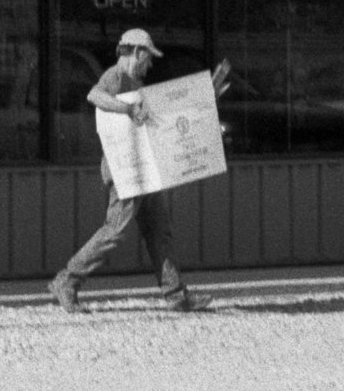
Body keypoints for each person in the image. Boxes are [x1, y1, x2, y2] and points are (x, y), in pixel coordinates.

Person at [48, 28, 229, 314]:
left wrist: (205, 103)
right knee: (114, 231)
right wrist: (127, 109)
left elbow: (165, 121)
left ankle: (176, 296)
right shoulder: (116, 76)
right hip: (126, 172)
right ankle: (67, 281)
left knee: (160, 231)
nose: (150, 64)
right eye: (148, 57)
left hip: (146, 170)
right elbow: (94, 95)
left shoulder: (134, 82)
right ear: (137, 53)